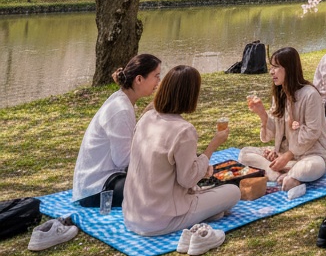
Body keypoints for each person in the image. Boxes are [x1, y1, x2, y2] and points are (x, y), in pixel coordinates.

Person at [122, 65, 239, 236]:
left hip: (132, 215)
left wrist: (199, 167)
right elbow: (188, 180)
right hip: (161, 220)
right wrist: (213, 145)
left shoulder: (147, 118)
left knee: (212, 197)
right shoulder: (184, 130)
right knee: (233, 192)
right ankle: (208, 212)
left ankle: (211, 212)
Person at [73, 53, 162, 207]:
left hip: (105, 181)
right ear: (139, 79)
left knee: (161, 175)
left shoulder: (123, 101)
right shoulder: (120, 109)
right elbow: (124, 160)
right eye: (156, 76)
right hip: (97, 190)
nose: (158, 82)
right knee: (160, 183)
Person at [241, 46, 326, 195]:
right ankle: (282, 175)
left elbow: (312, 132)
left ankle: (287, 173)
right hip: (285, 155)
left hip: (310, 155)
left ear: (289, 69)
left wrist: (288, 155)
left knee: (311, 167)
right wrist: (262, 114)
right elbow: (274, 133)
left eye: (276, 67)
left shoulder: (310, 95)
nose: (271, 72)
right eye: (271, 67)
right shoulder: (279, 94)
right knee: (244, 154)